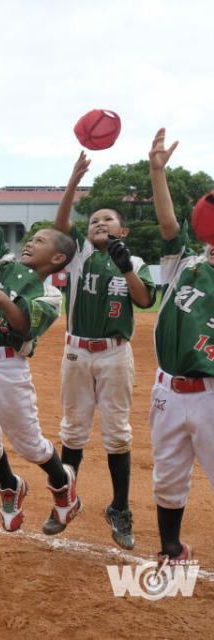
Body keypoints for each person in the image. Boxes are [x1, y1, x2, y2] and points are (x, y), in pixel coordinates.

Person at [0, 147, 81, 534]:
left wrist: (0, 298)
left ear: (58, 260)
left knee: (29, 444)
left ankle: (63, 489)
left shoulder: (50, 293)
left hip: (6, 367)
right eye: (31, 238)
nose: (31, 243)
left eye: (41, 241)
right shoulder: (1, 262)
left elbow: (25, 326)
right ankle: (11, 487)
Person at [51, 151, 156, 548]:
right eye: (94, 220)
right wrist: (73, 182)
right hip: (77, 351)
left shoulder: (136, 261)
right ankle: (64, 502)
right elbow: (63, 225)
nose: (98, 223)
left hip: (114, 353)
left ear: (122, 231)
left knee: (117, 434)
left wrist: (127, 266)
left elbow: (145, 300)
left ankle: (120, 508)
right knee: (73, 430)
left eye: (107, 219)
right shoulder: (78, 258)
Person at [147, 127, 213, 563]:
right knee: (167, 477)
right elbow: (169, 224)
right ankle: (172, 549)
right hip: (168, 391)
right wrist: (158, 173)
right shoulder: (185, 264)